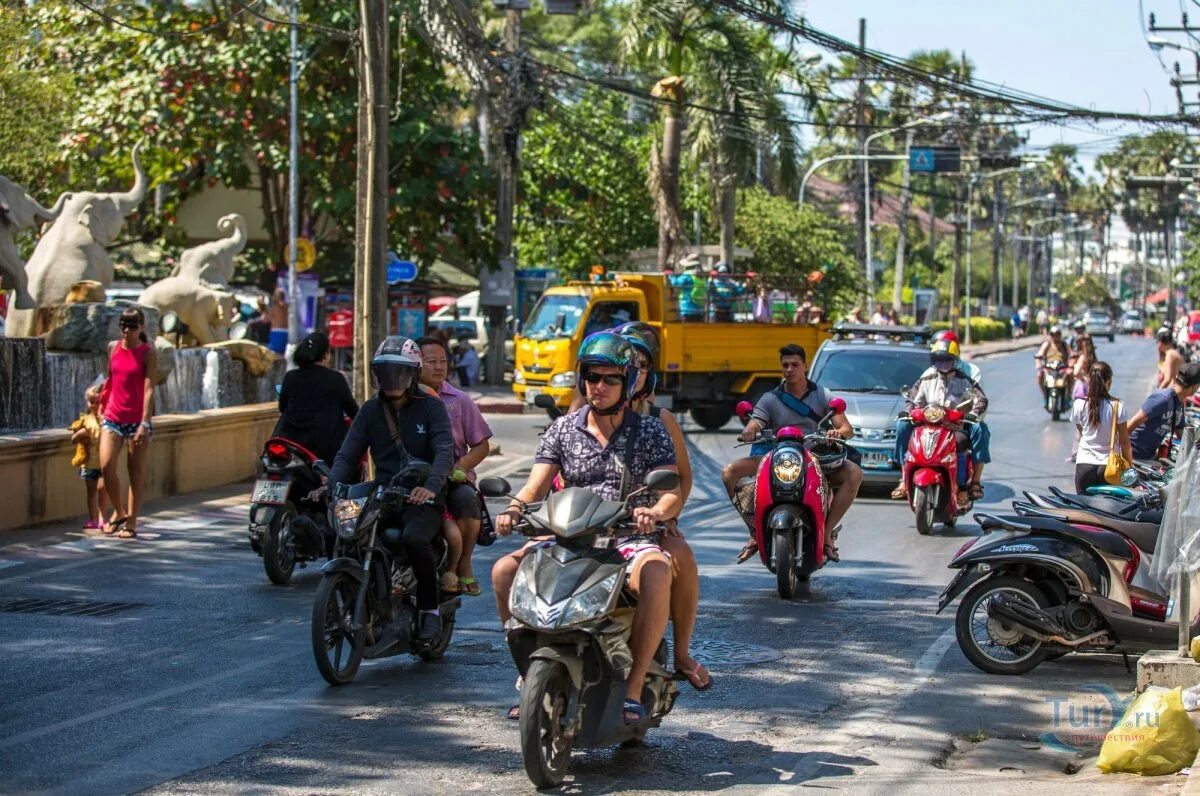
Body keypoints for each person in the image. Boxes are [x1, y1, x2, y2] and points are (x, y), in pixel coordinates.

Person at [492, 331, 683, 725]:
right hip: (567, 536)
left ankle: (632, 689)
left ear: (628, 382)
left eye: (610, 378)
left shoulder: (649, 431)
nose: (600, 386)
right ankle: (529, 674)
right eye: (592, 377)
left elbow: (672, 490)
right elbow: (535, 484)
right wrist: (513, 509)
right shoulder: (563, 428)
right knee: (504, 570)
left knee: (658, 571)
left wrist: (657, 513)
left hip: (627, 536)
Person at [327, 336, 456, 642]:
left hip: (423, 497)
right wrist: (332, 486)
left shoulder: (431, 408)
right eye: (385, 373)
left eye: (399, 373)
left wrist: (431, 487)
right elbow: (347, 454)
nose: (392, 381)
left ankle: (429, 611)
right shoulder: (370, 410)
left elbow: (444, 452)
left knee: (414, 538)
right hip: (382, 494)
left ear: (412, 374)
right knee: (344, 530)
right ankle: (347, 603)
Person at [723, 344, 862, 563]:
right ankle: (754, 532)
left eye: (795, 365)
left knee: (854, 473)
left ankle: (826, 533)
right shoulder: (770, 398)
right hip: (778, 458)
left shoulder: (823, 395)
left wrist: (837, 432)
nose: (790, 369)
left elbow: (847, 429)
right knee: (730, 472)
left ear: (805, 366)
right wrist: (749, 432)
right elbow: (754, 423)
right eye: (785, 365)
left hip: (815, 458)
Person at [417, 335, 493, 597]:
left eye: (443, 361)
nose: (439, 367)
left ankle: (463, 562)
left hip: (453, 477)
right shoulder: (404, 400)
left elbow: (482, 445)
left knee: (467, 503)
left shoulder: (459, 400)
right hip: (416, 478)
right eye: (431, 362)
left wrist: (461, 465)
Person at [890, 331, 984, 499]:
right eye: (939, 360)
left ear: (955, 359)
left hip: (955, 425)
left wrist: (973, 414)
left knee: (964, 439)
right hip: (927, 423)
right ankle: (904, 478)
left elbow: (980, 399)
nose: (943, 364)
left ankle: (965, 486)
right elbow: (913, 399)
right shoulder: (927, 377)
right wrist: (909, 411)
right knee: (901, 424)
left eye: (947, 359)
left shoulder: (967, 378)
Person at [98, 308, 157, 539]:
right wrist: (102, 405)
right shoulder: (113, 347)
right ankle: (120, 512)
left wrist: (145, 422)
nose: (126, 330)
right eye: (123, 325)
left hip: (136, 420)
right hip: (112, 416)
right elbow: (111, 378)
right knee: (106, 466)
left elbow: (149, 387)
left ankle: (131, 521)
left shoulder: (148, 352)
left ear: (141, 328)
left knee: (135, 471)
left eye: (132, 326)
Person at [274, 333, 359, 465]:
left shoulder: (290, 377)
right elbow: (353, 410)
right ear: (325, 355)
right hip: (326, 449)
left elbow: (282, 407)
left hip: (291, 444)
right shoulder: (336, 378)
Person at [1070, 361, 1131, 493]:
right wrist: (1129, 469)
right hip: (1109, 467)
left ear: (1089, 380)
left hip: (1084, 465)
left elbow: (1082, 432)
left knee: (1083, 509)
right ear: (1108, 382)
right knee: (1109, 511)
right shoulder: (1117, 406)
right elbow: (1125, 443)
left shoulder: (1079, 405)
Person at [1128, 362, 1200, 462]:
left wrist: (1196, 445)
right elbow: (1132, 423)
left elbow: (1182, 433)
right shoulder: (1162, 399)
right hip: (1133, 455)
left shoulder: (1179, 402)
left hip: (1149, 456)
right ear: (1194, 386)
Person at [70, 383, 110, 530]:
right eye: (91, 402)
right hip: (88, 462)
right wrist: (80, 435)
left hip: (104, 461)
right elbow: (73, 439)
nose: (93, 405)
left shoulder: (106, 418)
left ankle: (102, 518)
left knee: (102, 489)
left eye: (97, 402)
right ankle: (92, 519)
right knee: (91, 492)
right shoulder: (85, 420)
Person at [1034, 325, 1071, 393]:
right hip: (1049, 367)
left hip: (1062, 367)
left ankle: (1069, 394)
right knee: (1039, 375)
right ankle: (1044, 393)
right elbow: (1040, 354)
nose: (1055, 337)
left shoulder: (1064, 344)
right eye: (1053, 335)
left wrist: (1071, 363)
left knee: (1070, 373)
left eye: (1057, 335)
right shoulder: (1047, 344)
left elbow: (1071, 354)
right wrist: (1038, 363)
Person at [268, 289, 289, 355]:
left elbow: (265, 319)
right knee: (282, 353)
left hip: (277, 332)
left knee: (274, 354)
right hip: (286, 332)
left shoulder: (275, 307)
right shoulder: (288, 306)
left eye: (274, 295)